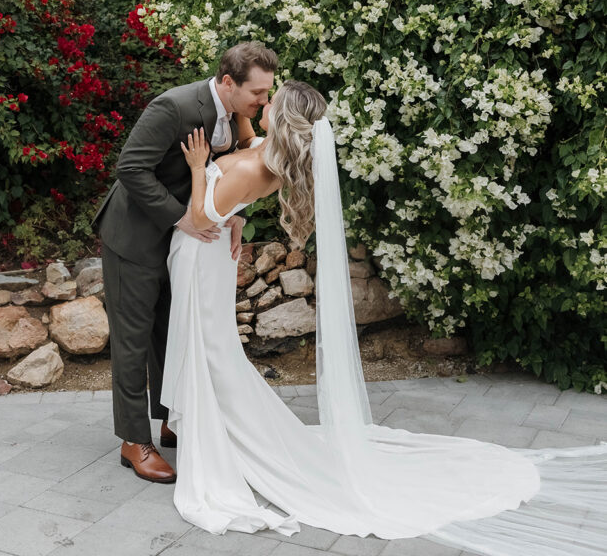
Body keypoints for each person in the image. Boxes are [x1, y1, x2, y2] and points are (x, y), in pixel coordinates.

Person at [160, 79, 607, 552]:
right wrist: (236, 209)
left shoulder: (255, 165)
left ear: (284, 119)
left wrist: (195, 168)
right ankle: (213, 425)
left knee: (212, 350)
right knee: (213, 350)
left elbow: (203, 218)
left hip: (200, 257)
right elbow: (237, 174)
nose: (261, 106)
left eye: (271, 102)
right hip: (205, 261)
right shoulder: (267, 157)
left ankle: (216, 431)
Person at [93, 41, 277, 482]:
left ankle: (170, 419)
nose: (264, 102)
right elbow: (131, 168)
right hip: (135, 237)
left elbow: (240, 169)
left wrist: (233, 215)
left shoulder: (240, 111)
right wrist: (182, 219)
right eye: (258, 93)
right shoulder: (172, 107)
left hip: (183, 244)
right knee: (133, 340)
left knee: (169, 332)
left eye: (268, 94)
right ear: (228, 83)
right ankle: (133, 442)